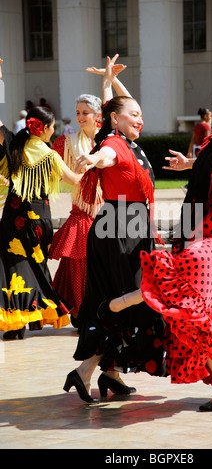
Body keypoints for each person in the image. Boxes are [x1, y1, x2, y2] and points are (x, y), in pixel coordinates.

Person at [101, 42, 212, 412]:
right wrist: (190, 164)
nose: (211, 113)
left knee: (188, 303)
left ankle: (134, 298)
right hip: (193, 228)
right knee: (192, 317)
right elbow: (207, 171)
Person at [63, 57, 165, 403]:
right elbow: (105, 154)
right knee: (129, 301)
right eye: (133, 115)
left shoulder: (129, 141)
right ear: (115, 120)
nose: (140, 118)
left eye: (140, 113)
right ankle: (88, 371)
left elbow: (120, 107)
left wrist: (110, 82)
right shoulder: (115, 144)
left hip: (127, 228)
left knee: (127, 302)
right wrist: (92, 160)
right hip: (120, 230)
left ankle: (106, 374)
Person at [0, 58, 86, 339]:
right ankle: (35, 315)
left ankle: (18, 319)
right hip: (38, 220)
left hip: (13, 218)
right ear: (46, 128)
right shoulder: (49, 155)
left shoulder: (14, 146)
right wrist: (86, 166)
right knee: (36, 265)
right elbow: (73, 181)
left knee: (14, 265)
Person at [49, 55, 132, 326]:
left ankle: (98, 313)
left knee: (102, 269)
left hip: (104, 213)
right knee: (76, 267)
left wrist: (108, 80)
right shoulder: (66, 142)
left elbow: (116, 107)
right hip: (81, 214)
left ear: (98, 117)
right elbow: (46, 161)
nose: (81, 116)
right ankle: (78, 313)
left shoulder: (108, 140)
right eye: (78, 112)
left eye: (86, 112)